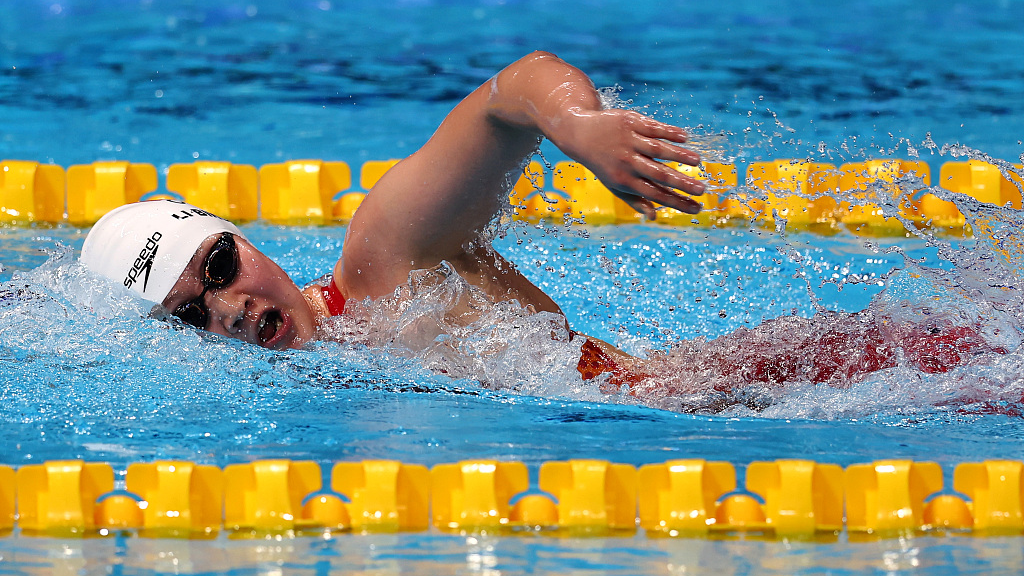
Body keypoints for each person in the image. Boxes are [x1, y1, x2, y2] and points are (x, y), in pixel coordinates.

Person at [79, 52, 1006, 404]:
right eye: (194, 314)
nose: (231, 305)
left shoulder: (378, 261)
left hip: (748, 381)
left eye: (218, 264)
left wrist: (578, 128)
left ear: (241, 235)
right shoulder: (327, 370)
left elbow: (511, 91)